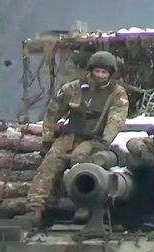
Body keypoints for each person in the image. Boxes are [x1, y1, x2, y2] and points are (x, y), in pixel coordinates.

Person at [22, 51, 129, 226]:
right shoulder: (74, 88)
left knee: (80, 162)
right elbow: (53, 110)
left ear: (110, 73)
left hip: (94, 139)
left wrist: (105, 141)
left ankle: (84, 205)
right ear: (91, 70)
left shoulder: (117, 93)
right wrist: (47, 138)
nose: (100, 76)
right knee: (49, 164)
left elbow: (116, 119)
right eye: (97, 72)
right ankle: (35, 207)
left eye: (104, 72)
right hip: (70, 135)